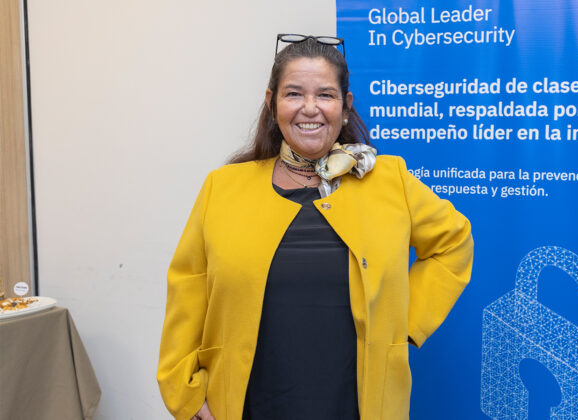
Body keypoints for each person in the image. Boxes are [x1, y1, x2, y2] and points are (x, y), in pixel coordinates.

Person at [157, 34, 473, 420]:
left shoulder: (391, 181)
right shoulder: (222, 188)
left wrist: (400, 326)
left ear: (346, 106)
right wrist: (185, 394)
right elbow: (187, 285)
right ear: (272, 104)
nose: (310, 108)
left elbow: (453, 242)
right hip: (249, 406)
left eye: (325, 94)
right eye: (294, 94)